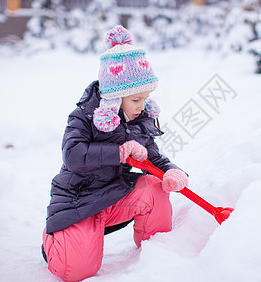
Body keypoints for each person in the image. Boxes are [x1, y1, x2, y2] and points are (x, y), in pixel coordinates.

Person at [41, 25, 188, 282]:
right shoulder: (84, 116)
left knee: (155, 187)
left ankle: (158, 252)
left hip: (113, 195)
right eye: (135, 100)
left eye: (145, 98)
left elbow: (151, 158)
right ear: (115, 97)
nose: (142, 106)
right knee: (76, 271)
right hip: (79, 200)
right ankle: (55, 241)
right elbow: (73, 156)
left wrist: (171, 171)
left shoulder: (140, 118)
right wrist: (118, 152)